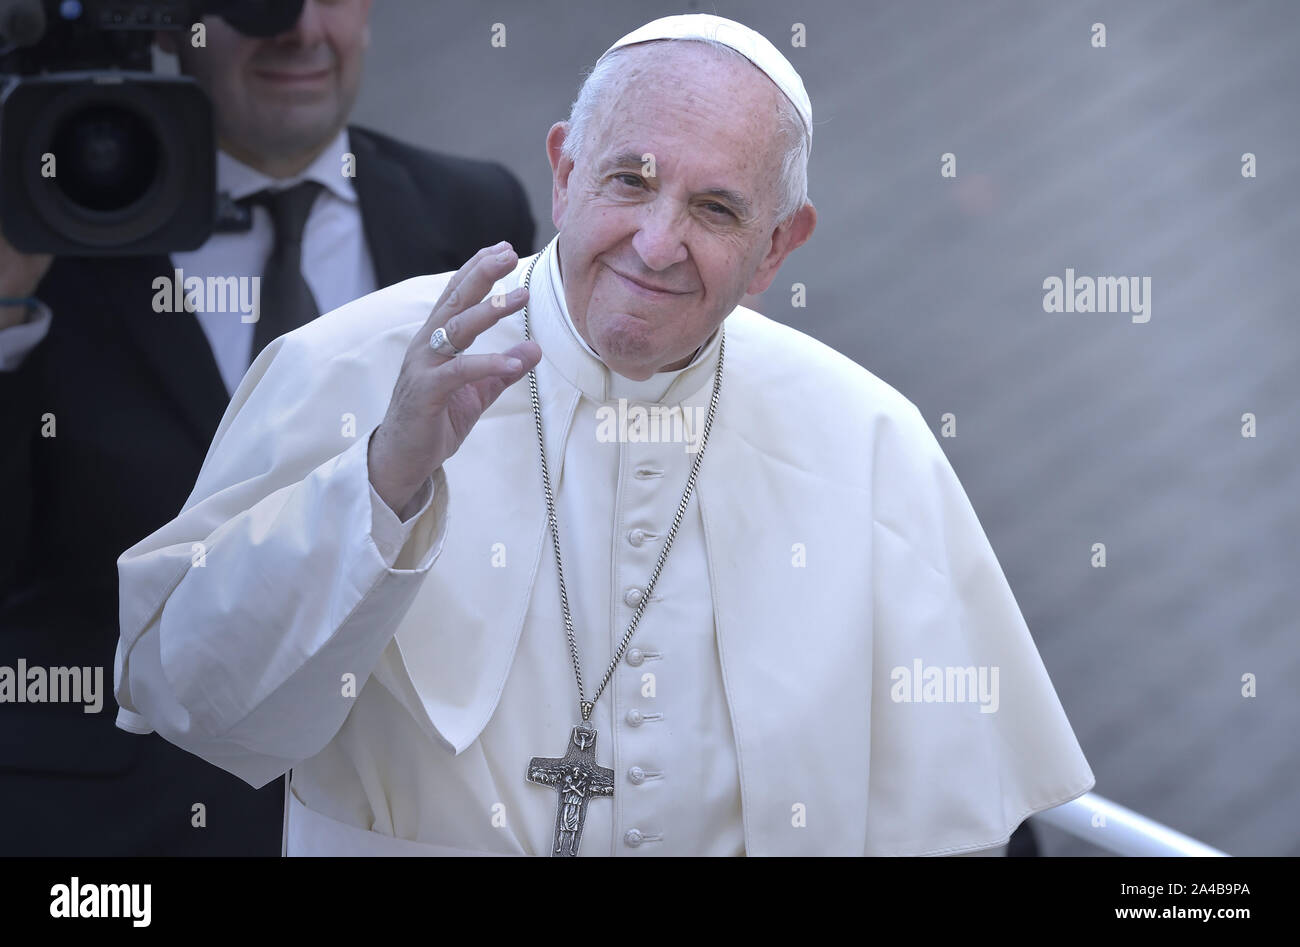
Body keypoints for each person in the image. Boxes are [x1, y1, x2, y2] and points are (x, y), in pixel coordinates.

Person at [114, 14, 1093, 857]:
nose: (658, 243)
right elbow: (189, 700)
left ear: (776, 248)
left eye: (715, 208)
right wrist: (383, 479)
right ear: (564, 172)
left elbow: (947, 828)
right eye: (630, 181)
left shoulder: (868, 437)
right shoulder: (353, 365)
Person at [0, 0, 534, 855]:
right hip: (108, 833)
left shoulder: (464, 208)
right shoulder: (47, 214)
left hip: (387, 818)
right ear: (168, 23)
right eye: (259, 0)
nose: (300, 28)